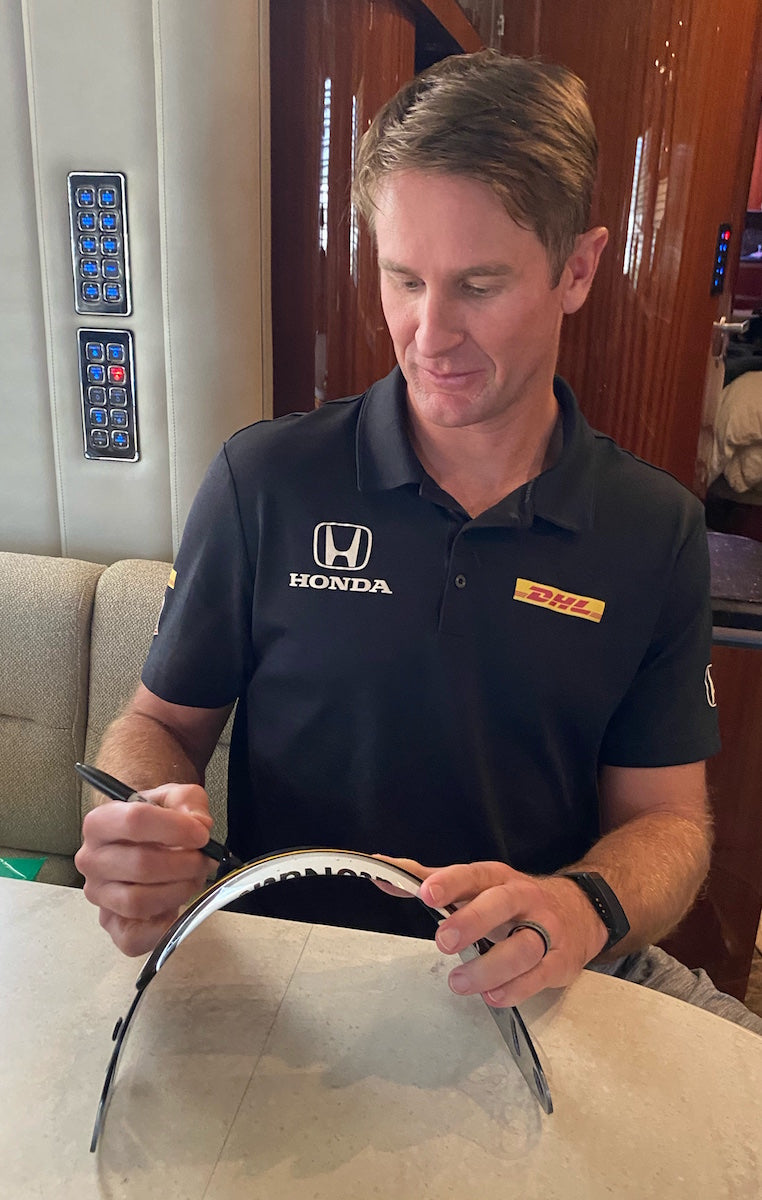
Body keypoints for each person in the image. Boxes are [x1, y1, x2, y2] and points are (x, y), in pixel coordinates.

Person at [75, 50, 761, 1033]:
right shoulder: (266, 481)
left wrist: (579, 907)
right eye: (403, 279)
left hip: (531, 988)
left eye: (479, 285)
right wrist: (145, 822)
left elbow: (668, 821)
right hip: (294, 976)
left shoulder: (653, 529)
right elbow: (162, 726)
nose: (427, 335)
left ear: (577, 270)